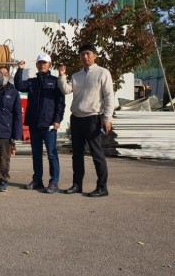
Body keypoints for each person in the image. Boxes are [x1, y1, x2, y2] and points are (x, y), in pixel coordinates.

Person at [58, 44, 115, 197]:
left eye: (88, 54)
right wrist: (62, 75)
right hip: (76, 118)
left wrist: (107, 118)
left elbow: (109, 96)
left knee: (97, 153)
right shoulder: (76, 75)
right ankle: (77, 185)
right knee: (76, 154)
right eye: (82, 54)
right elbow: (66, 90)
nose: (85, 57)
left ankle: (102, 187)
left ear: (95, 55)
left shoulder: (103, 73)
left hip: (93, 118)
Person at [14, 53, 66, 194]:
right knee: (36, 154)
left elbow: (60, 104)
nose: (42, 65)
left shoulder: (55, 81)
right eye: (40, 63)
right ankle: (37, 180)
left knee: (51, 154)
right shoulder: (32, 82)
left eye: (45, 62)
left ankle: (54, 182)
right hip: (34, 124)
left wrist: (57, 120)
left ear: (49, 65)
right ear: (37, 65)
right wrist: (20, 70)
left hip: (49, 124)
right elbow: (19, 85)